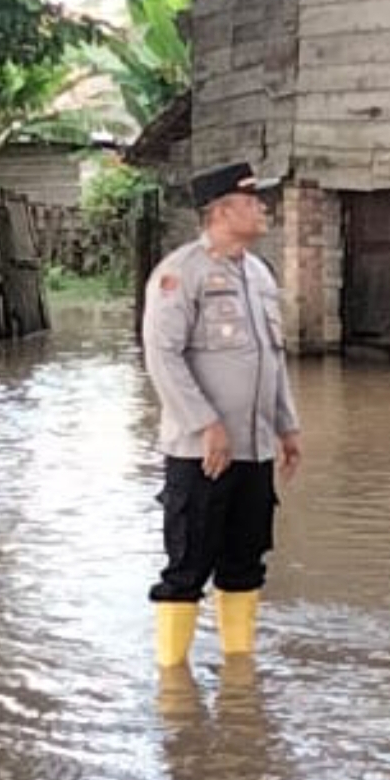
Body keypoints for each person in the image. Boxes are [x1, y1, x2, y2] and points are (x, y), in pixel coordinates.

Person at [142, 161, 302, 668]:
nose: (263, 209)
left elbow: (270, 358)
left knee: (245, 564)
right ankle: (172, 684)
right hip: (199, 454)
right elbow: (161, 355)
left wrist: (287, 424)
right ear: (223, 210)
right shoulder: (180, 273)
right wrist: (205, 424)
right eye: (253, 201)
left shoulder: (258, 274)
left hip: (253, 449)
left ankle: (239, 675)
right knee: (187, 567)